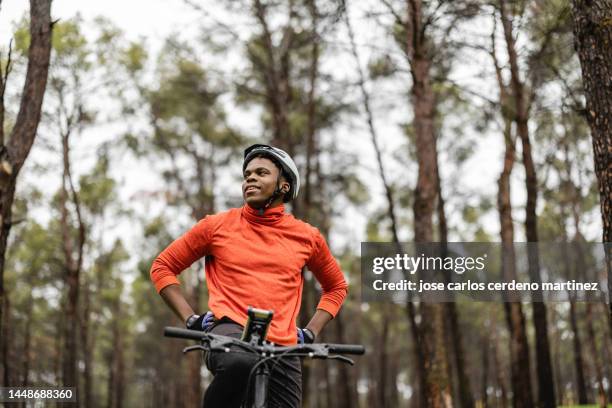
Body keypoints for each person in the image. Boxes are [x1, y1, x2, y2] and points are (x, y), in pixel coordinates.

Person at [150, 144, 348, 407]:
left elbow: (336, 287)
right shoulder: (216, 226)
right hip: (230, 331)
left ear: (284, 186)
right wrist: (191, 320)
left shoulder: (308, 237)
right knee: (242, 360)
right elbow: (162, 267)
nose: (250, 178)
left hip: (283, 345)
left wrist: (310, 333)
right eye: (247, 175)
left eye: (262, 173)